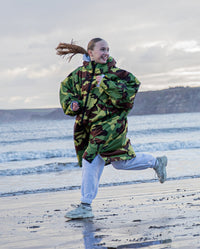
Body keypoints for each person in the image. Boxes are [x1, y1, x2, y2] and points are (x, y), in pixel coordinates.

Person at [56, 38, 167, 219]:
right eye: (102, 49)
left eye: (107, 49)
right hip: (91, 127)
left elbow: (132, 88)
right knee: (120, 163)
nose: (106, 53)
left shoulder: (116, 73)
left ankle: (85, 205)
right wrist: (73, 103)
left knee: (90, 158)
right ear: (90, 52)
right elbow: (66, 90)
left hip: (112, 125)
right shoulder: (79, 75)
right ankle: (156, 162)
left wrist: (107, 82)